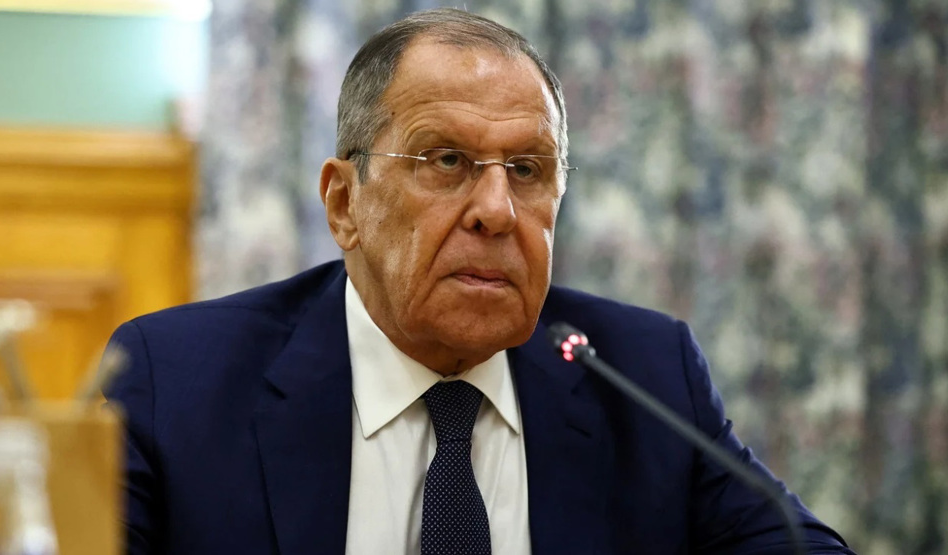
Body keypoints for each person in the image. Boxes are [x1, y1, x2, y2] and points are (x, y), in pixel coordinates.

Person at [103, 8, 854, 555]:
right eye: (446, 161)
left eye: (527, 170)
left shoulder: (645, 374)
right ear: (343, 203)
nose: (496, 210)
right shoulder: (176, 384)